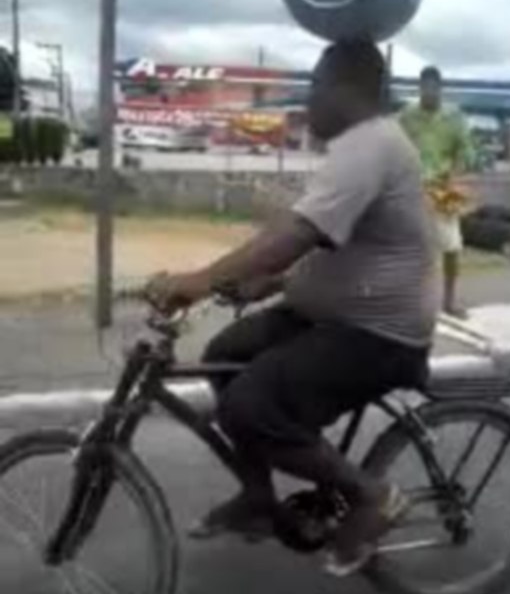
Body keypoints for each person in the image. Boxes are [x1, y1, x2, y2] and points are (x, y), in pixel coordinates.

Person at [146, 39, 437, 577]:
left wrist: (200, 281)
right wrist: (272, 284)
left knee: (248, 408)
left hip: (380, 333)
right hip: (337, 317)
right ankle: (259, 500)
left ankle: (374, 495)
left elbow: (297, 234)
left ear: (347, 89)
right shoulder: (356, 146)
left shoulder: (372, 146)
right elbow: (335, 243)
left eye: (315, 86)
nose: (309, 98)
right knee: (226, 355)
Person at [399, 65, 474, 317]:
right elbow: (394, 146)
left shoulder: (454, 117)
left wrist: (454, 176)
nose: (429, 93)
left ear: (441, 89)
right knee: (413, 250)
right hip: (413, 190)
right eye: (424, 87)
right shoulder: (407, 116)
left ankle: (449, 302)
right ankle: (412, 302)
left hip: (443, 190)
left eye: (434, 88)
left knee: (452, 247)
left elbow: (464, 152)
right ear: (419, 88)